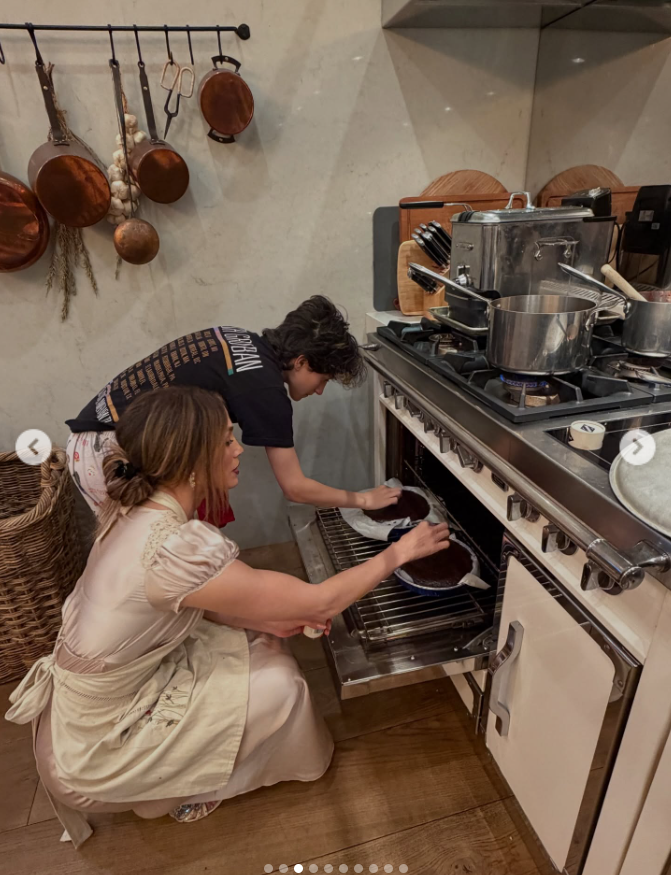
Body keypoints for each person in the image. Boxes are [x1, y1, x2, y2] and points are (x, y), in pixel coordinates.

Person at [6, 387, 450, 847]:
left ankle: (164, 783)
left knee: (264, 641)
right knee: (281, 684)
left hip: (82, 711)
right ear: (191, 462)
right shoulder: (173, 548)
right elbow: (319, 603)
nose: (239, 449)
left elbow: (192, 599)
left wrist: (266, 620)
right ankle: (175, 789)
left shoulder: (136, 510)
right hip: (95, 747)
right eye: (225, 441)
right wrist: (401, 552)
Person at [65, 296, 400, 522]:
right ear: (301, 362)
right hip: (109, 450)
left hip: (96, 433)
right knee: (146, 559)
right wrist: (363, 500)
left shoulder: (241, 339)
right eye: (322, 379)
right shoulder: (266, 390)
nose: (320, 390)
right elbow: (295, 487)